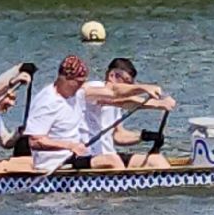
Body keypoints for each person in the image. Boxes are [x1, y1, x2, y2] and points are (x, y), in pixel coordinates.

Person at [24, 55, 160, 172]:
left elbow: (115, 95)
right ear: (64, 78)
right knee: (112, 161)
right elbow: (34, 142)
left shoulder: (78, 93)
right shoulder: (47, 101)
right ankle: (121, 201)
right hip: (55, 164)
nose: (81, 87)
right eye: (78, 83)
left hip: (76, 157)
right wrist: (70, 146)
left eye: (83, 83)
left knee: (156, 160)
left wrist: (154, 99)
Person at [82, 57, 177, 169]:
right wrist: (156, 102)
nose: (130, 88)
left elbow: (118, 136)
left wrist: (144, 136)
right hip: (87, 157)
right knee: (115, 162)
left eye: (131, 83)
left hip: (109, 156)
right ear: (113, 75)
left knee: (156, 161)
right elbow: (119, 100)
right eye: (127, 82)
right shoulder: (92, 88)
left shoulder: (116, 102)